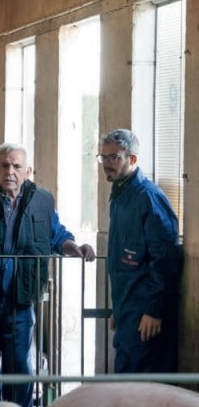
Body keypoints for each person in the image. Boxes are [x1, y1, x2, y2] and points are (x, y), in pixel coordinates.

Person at [0, 143, 95, 407]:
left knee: (20, 367)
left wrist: (73, 247)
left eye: (16, 166)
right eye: (4, 165)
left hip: (21, 297)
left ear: (28, 170)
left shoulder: (43, 200)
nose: (10, 171)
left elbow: (56, 235)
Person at [98, 129, 183, 373]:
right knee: (125, 388)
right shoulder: (120, 195)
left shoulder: (149, 198)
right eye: (103, 157)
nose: (106, 164)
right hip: (128, 314)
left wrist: (154, 310)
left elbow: (165, 259)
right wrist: (119, 309)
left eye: (114, 157)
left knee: (145, 390)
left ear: (132, 159)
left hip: (146, 319)